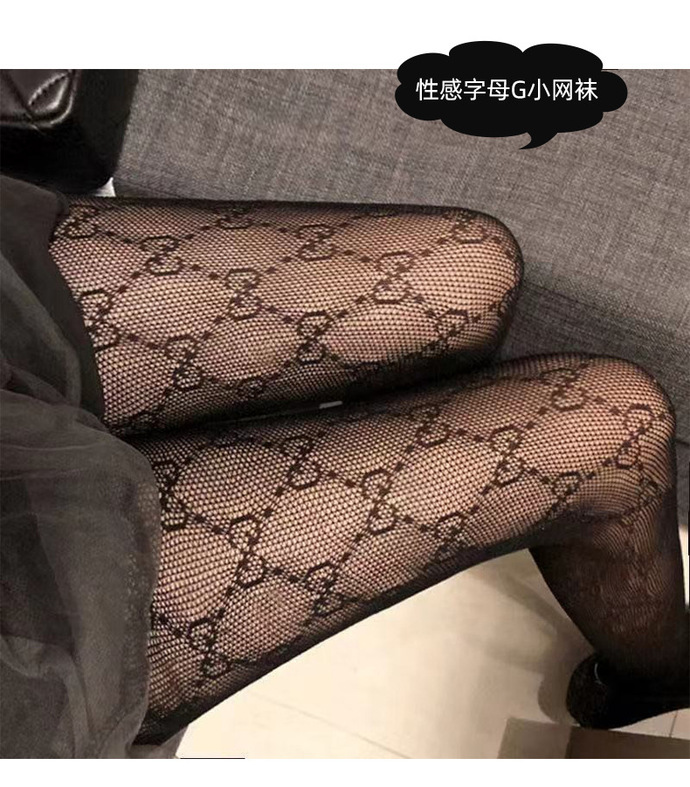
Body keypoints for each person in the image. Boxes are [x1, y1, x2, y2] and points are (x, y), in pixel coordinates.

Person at [1, 176, 687, 757]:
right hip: (35, 611)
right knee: (616, 424)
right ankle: (657, 676)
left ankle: (378, 457)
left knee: (468, 270)